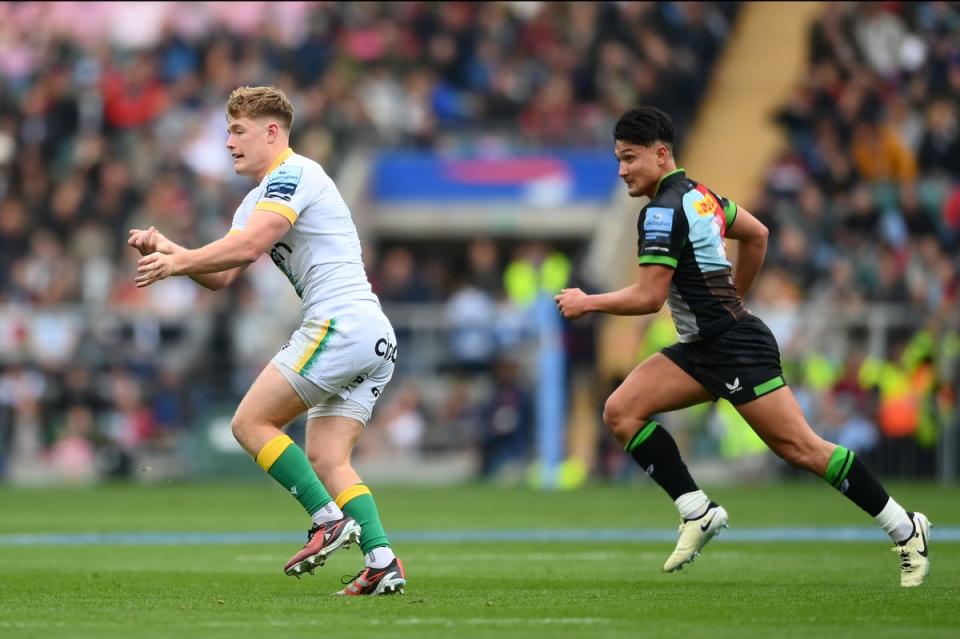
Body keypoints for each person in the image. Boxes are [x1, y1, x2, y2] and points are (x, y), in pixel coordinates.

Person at [554, 107, 931, 588]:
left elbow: (650, 298)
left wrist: (590, 302)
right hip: (703, 345)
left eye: (629, 158)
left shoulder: (661, 212)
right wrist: (737, 295)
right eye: (618, 160)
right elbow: (757, 234)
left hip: (734, 348)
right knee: (620, 411)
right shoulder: (702, 197)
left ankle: (905, 529)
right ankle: (697, 510)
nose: (623, 170)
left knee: (802, 449)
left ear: (661, 154)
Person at [129, 86, 405, 596]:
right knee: (327, 457)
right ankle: (382, 559)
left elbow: (252, 245)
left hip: (339, 323)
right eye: (227, 131)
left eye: (238, 131)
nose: (229, 142)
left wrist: (176, 263)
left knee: (250, 422)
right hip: (371, 335)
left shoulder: (294, 173)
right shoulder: (260, 197)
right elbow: (225, 272)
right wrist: (172, 250)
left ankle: (327, 519)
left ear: (271, 132)